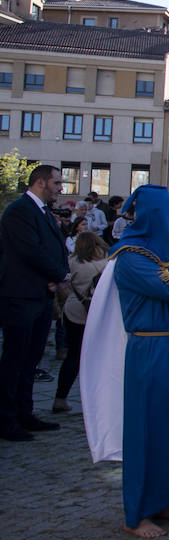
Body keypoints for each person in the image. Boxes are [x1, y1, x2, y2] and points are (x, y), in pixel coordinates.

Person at [81, 185, 169, 537]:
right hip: (151, 350)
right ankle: (138, 513)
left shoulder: (159, 251)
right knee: (147, 430)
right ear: (155, 218)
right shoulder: (129, 256)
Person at [0, 164, 70, 442]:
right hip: (20, 295)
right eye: (56, 183)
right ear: (40, 183)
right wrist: (57, 274)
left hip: (40, 294)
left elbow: (53, 247)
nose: (60, 188)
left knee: (31, 359)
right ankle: (6, 419)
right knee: (14, 359)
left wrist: (56, 275)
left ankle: (24, 412)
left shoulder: (41, 212)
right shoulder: (18, 211)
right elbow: (30, 250)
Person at [51, 232, 109, 414]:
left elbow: (63, 283)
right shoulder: (107, 262)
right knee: (99, 357)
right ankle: (97, 399)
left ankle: (60, 398)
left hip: (74, 310)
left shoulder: (72, 261)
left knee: (73, 355)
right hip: (99, 311)